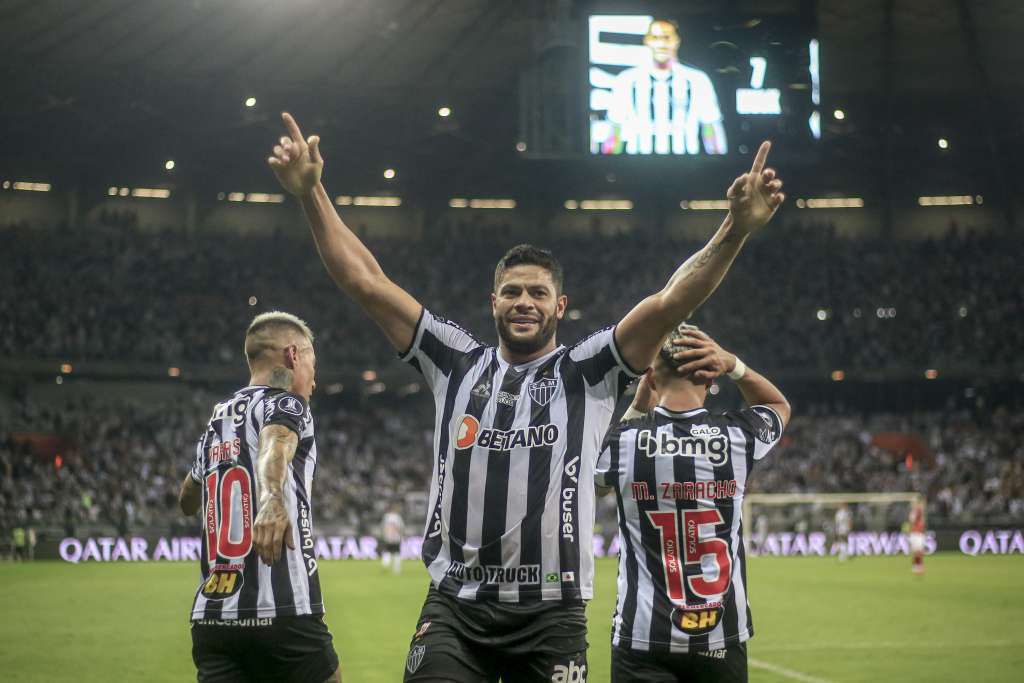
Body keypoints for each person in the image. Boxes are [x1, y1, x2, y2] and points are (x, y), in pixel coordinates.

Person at [267, 112, 784, 683]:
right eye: (511, 291)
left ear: (559, 307)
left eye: (539, 292)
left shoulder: (589, 370)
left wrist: (734, 228)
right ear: (493, 302)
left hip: (553, 616)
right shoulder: (454, 359)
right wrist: (312, 192)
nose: (524, 301)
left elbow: (668, 303)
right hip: (456, 609)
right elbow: (366, 282)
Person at [596, 324, 790, 682]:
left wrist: (639, 405)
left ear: (651, 378)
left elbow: (597, 485)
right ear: (710, 377)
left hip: (642, 638)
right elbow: (778, 405)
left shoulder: (623, 443)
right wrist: (734, 365)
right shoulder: (738, 437)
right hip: (720, 636)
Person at [178, 312, 341, 683]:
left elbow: (187, 498)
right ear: (293, 355)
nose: (314, 379)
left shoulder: (216, 422)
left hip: (213, 619)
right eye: (313, 362)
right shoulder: (287, 403)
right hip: (283, 613)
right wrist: (270, 498)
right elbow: (275, 442)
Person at [606, 19, 727, 156]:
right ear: (647, 41)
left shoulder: (698, 80)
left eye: (666, 37)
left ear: (676, 41)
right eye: (655, 37)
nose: (661, 44)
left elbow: (710, 129)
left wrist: (718, 164)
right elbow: (615, 131)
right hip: (636, 167)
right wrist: (607, 165)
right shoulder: (626, 80)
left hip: (688, 168)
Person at [381, 503, 406, 575]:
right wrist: (402, 535)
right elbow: (401, 527)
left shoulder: (386, 517)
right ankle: (397, 569)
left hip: (388, 538)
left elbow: (383, 527)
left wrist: (385, 535)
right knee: (397, 553)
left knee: (387, 551)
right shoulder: (398, 517)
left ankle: (385, 565)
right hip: (396, 538)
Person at [908, 499, 926, 574]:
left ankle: (917, 567)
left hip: (917, 533)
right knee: (918, 551)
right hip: (916, 534)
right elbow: (912, 520)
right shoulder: (916, 512)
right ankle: (918, 567)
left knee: (918, 551)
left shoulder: (918, 512)